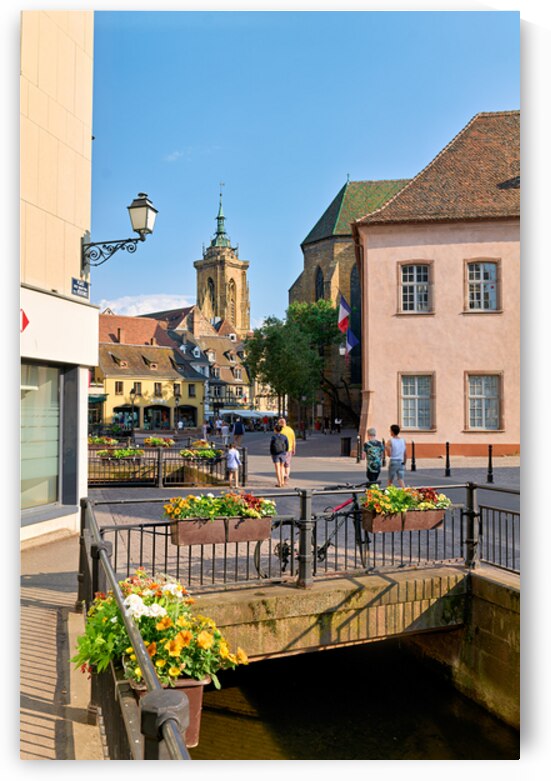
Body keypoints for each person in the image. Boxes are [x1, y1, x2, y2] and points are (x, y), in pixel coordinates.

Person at [278, 417, 296, 483]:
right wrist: (294, 449)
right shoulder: (290, 430)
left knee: (281, 464)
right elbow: (294, 440)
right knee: (287, 464)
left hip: (281, 450)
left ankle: (283, 478)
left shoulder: (279, 430)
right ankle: (287, 476)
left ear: (280, 423)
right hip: (289, 449)